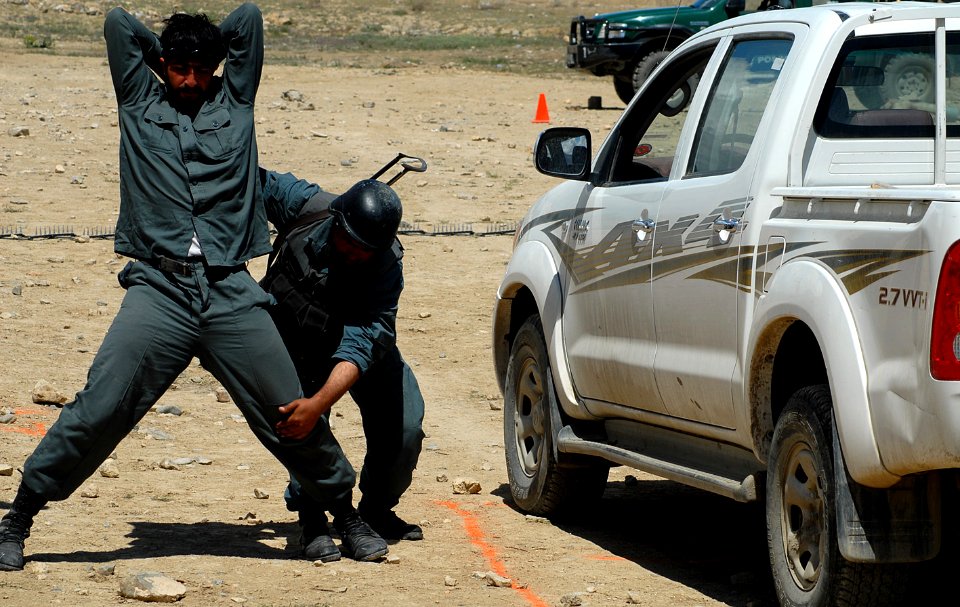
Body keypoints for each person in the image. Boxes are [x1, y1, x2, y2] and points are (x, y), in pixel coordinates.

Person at [0, 4, 387, 571]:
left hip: (230, 289)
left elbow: (250, 18)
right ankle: (20, 516)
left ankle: (342, 513)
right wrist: (165, 49)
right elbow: (116, 24)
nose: (189, 79)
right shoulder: (138, 100)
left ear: (216, 68)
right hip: (159, 289)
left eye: (200, 68)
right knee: (101, 404)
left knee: (289, 409)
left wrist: (207, 45)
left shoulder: (236, 103)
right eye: (177, 68)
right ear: (161, 66)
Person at [258, 169, 426, 563]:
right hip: (297, 344)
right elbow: (248, 177)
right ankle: (312, 517)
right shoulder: (306, 206)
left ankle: (376, 510)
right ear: (337, 220)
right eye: (349, 243)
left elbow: (362, 343)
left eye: (365, 250)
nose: (355, 254)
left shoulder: (386, 265)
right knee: (303, 427)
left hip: (359, 351)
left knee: (405, 428)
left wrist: (320, 400)